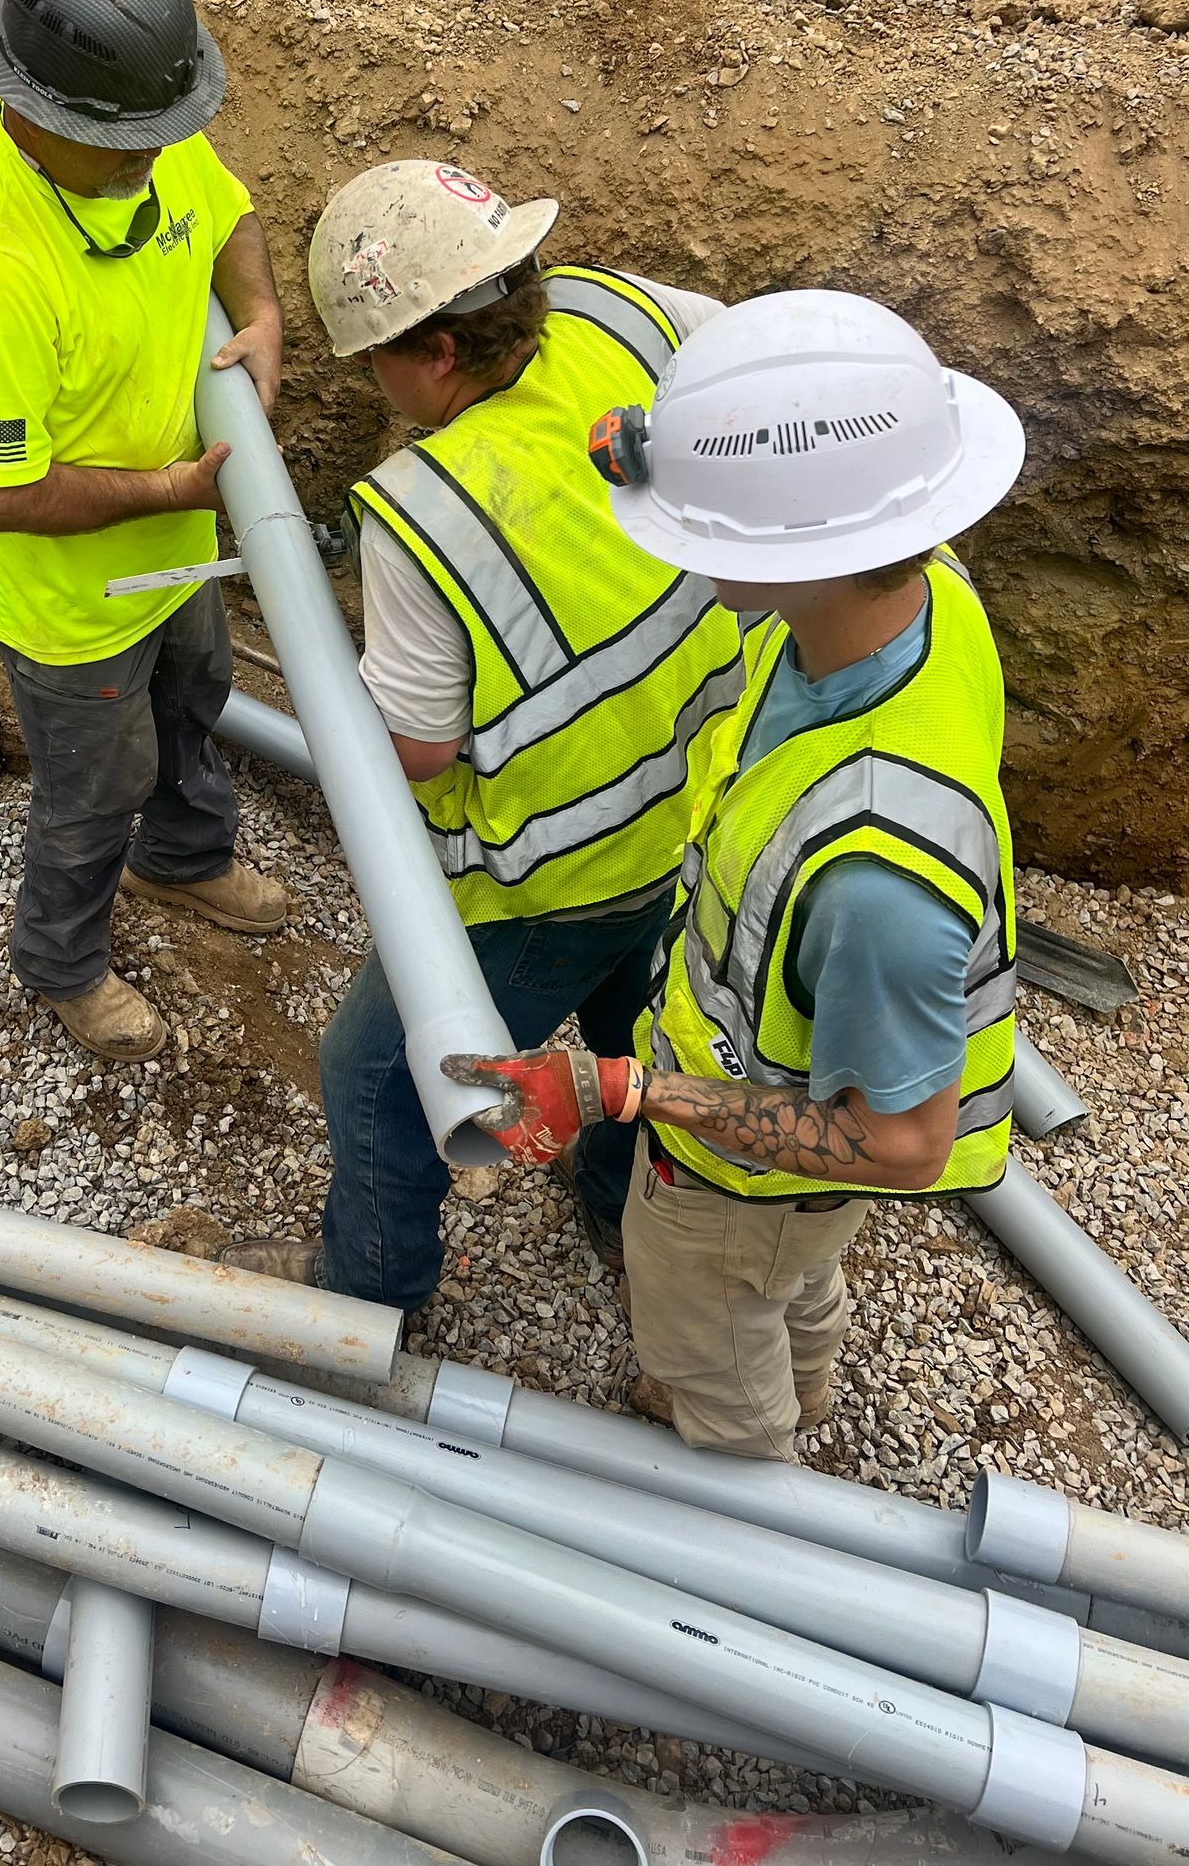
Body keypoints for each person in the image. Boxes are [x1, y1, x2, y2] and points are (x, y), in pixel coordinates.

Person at [446, 289, 1026, 1461]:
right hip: (792, 1200)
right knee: (796, 1280)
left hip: (735, 1189)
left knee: (712, 1346)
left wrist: (625, 1094)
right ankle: (803, 1377)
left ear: (810, 556)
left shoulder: (876, 889)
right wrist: (657, 456)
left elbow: (906, 1144)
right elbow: (826, 463)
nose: (678, 550)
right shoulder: (924, 590)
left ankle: (748, 1455)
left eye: (706, 531)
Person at [225, 161, 745, 1310]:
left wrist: (331, 677)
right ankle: (618, 1208)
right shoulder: (636, 311)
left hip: (554, 875)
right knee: (643, 1037)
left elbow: (414, 749)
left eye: (376, 362)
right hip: (705, 809)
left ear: (440, 353)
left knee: (374, 1080)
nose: (372, 385)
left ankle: (368, 1296)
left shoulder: (427, 514)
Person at [0, 0, 291, 1066]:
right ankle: (61, 964)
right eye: (131, 147)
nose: (154, 161)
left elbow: (227, 211)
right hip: (71, 597)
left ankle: (185, 857)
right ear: (38, 112)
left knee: (201, 691)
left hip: (171, 536)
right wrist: (171, 485)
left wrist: (259, 311)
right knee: (91, 791)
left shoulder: (136, 134)